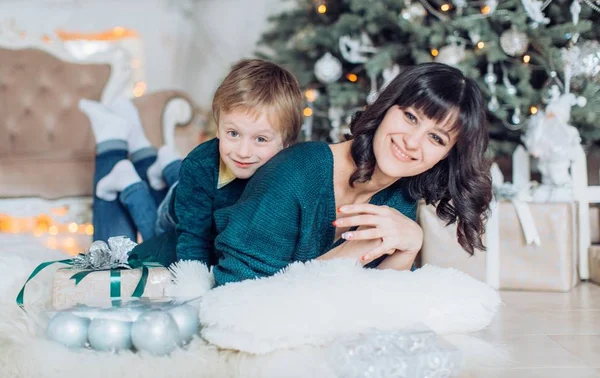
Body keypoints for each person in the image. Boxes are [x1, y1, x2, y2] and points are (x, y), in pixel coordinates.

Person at [209, 62, 492, 286]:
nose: (412, 142)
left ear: (446, 156)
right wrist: (348, 256)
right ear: (386, 108)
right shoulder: (298, 172)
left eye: (436, 138)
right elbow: (236, 295)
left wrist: (409, 247)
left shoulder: (399, 196)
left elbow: (377, 305)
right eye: (410, 117)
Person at [79, 59, 303, 263]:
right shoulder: (201, 165)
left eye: (261, 139)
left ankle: (158, 157)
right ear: (218, 126)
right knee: (159, 245)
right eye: (233, 134)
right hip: (177, 214)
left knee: (194, 181)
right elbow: (193, 241)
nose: (243, 152)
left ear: (286, 144)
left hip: (196, 189)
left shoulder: (289, 170)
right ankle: (129, 183)